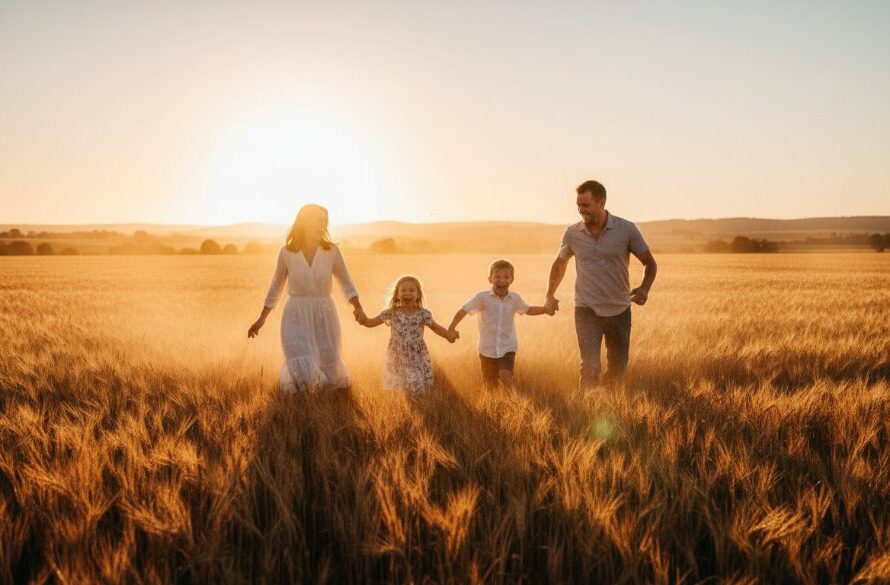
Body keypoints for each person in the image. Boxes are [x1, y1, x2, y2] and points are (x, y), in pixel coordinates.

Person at [545, 180, 657, 387]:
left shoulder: (626, 230)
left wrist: (644, 288)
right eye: (578, 205)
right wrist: (550, 294)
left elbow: (650, 263)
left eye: (585, 205)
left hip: (620, 309)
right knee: (589, 366)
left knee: (617, 368)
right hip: (586, 309)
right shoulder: (572, 233)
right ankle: (589, 410)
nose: (581, 210)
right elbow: (559, 263)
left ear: (601, 202)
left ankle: (608, 408)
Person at [247, 204, 367, 392]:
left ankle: (322, 405)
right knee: (299, 356)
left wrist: (357, 307)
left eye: (324, 221)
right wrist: (262, 318)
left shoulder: (331, 251)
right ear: (304, 223)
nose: (321, 225)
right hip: (295, 313)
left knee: (327, 358)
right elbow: (275, 288)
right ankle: (302, 402)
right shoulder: (286, 252)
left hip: (324, 313)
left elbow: (346, 283)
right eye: (316, 220)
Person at [448, 259, 553, 390]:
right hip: (486, 349)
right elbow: (463, 310)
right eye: (497, 277)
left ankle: (511, 402)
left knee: (505, 375)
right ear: (490, 279)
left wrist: (545, 309)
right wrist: (451, 328)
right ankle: (496, 407)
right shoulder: (482, 297)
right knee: (490, 386)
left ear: (512, 279)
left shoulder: (515, 298)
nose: (502, 280)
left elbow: (528, 309)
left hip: (507, 347)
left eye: (506, 277)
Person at [358, 275, 456, 393]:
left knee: (416, 383)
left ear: (418, 294)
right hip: (397, 354)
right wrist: (362, 319)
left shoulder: (423, 314)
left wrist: (448, 335)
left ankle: (419, 404)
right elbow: (371, 322)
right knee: (398, 385)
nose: (407, 293)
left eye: (412, 290)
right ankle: (401, 404)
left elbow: (436, 328)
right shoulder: (391, 313)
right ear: (397, 295)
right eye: (403, 290)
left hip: (417, 354)